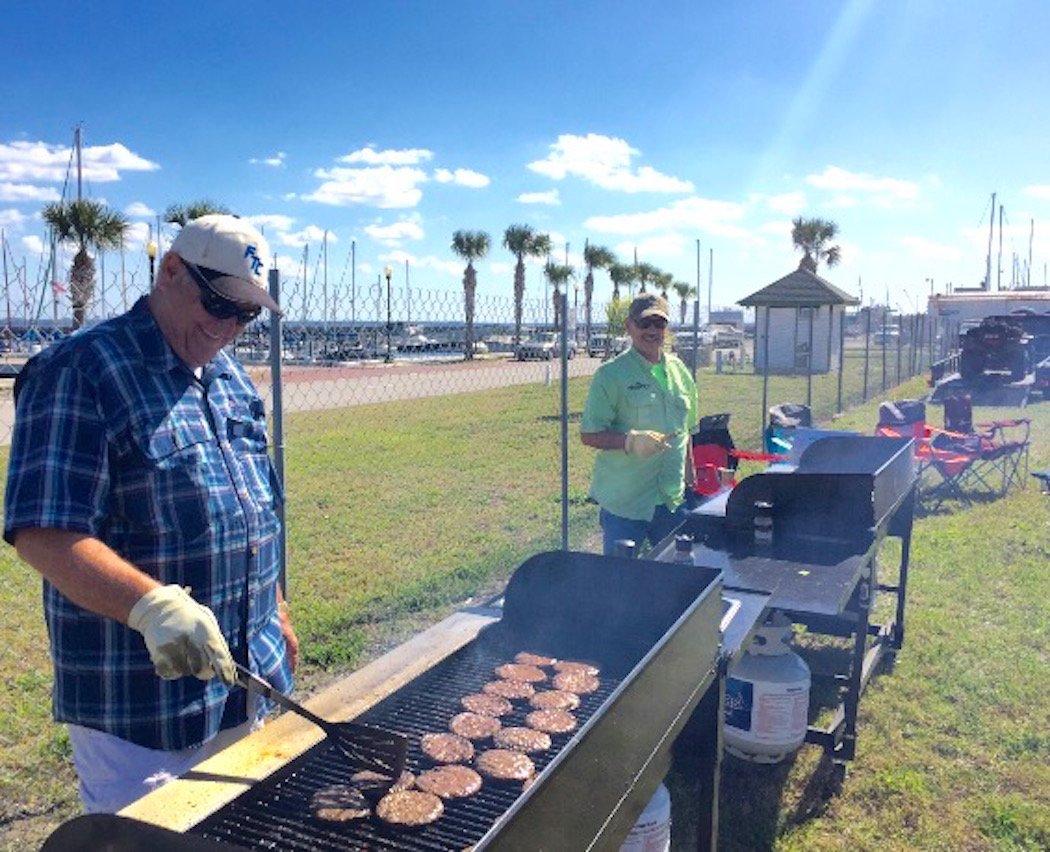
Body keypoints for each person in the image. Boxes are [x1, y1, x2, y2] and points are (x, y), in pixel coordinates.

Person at [4, 215, 298, 814]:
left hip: (247, 683)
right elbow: (43, 530)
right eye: (219, 305)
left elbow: (254, 515)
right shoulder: (81, 368)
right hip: (141, 706)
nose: (228, 327)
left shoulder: (230, 378)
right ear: (170, 270)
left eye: (247, 315)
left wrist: (278, 613)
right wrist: (153, 607)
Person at [580, 293, 698, 555]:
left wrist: (691, 481)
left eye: (660, 323)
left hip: (671, 502)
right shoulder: (611, 375)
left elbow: (686, 433)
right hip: (626, 504)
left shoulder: (680, 372)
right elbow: (589, 434)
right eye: (645, 323)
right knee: (620, 580)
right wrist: (630, 441)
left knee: (676, 574)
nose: (653, 330)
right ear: (629, 326)